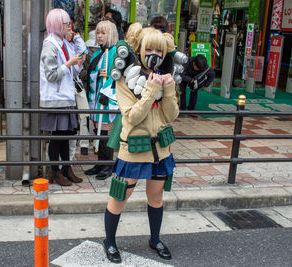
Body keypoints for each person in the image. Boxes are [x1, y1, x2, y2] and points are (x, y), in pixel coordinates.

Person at [102, 23, 178, 263]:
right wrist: (150, 90)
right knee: (119, 197)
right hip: (134, 149)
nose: (154, 55)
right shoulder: (125, 79)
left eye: (159, 50)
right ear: (140, 48)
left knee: (156, 198)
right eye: (149, 48)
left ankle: (155, 239)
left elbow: (170, 116)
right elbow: (132, 117)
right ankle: (110, 241)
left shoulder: (165, 76)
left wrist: (168, 89)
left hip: (160, 149)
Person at [40, 8, 85, 186]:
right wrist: (69, 64)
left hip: (65, 97)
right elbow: (51, 75)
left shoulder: (63, 43)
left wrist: (76, 63)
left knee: (66, 135)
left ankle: (66, 168)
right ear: (58, 25)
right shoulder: (50, 45)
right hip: (55, 99)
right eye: (66, 23)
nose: (70, 26)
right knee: (58, 137)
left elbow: (72, 69)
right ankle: (55, 171)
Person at [84, 20, 119, 180]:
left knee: (105, 130)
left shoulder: (116, 53)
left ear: (111, 34)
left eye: (103, 33)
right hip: (96, 97)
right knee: (97, 128)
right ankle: (100, 163)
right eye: (97, 32)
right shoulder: (98, 54)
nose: (99, 36)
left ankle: (107, 165)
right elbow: (91, 74)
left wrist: (110, 77)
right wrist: (97, 74)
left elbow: (121, 76)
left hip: (108, 98)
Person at [64, 23, 89, 157]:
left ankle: (84, 144)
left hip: (77, 86)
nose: (70, 31)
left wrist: (77, 38)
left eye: (71, 28)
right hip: (67, 88)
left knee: (84, 115)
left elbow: (83, 53)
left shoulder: (73, 45)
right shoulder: (60, 45)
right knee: (70, 123)